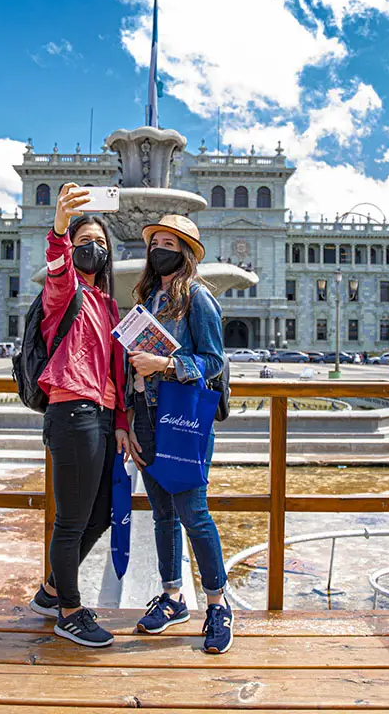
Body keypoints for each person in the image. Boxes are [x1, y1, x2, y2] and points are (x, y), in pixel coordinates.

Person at [122, 214, 233, 655]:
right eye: (154, 242)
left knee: (194, 513)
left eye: (168, 242)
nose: (158, 248)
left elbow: (214, 360)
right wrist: (128, 418)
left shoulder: (198, 297)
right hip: (147, 418)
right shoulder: (148, 298)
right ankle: (172, 598)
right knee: (162, 513)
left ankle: (218, 605)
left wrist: (166, 365)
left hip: (182, 418)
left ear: (185, 252)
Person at [26, 183, 129, 649]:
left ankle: (50, 591)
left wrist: (122, 421)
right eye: (85, 241)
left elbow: (117, 367)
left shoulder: (106, 303)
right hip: (72, 411)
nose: (93, 248)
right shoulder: (64, 291)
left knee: (102, 512)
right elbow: (57, 264)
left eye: (101, 244)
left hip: (103, 417)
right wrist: (60, 227)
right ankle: (69, 610)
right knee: (70, 520)